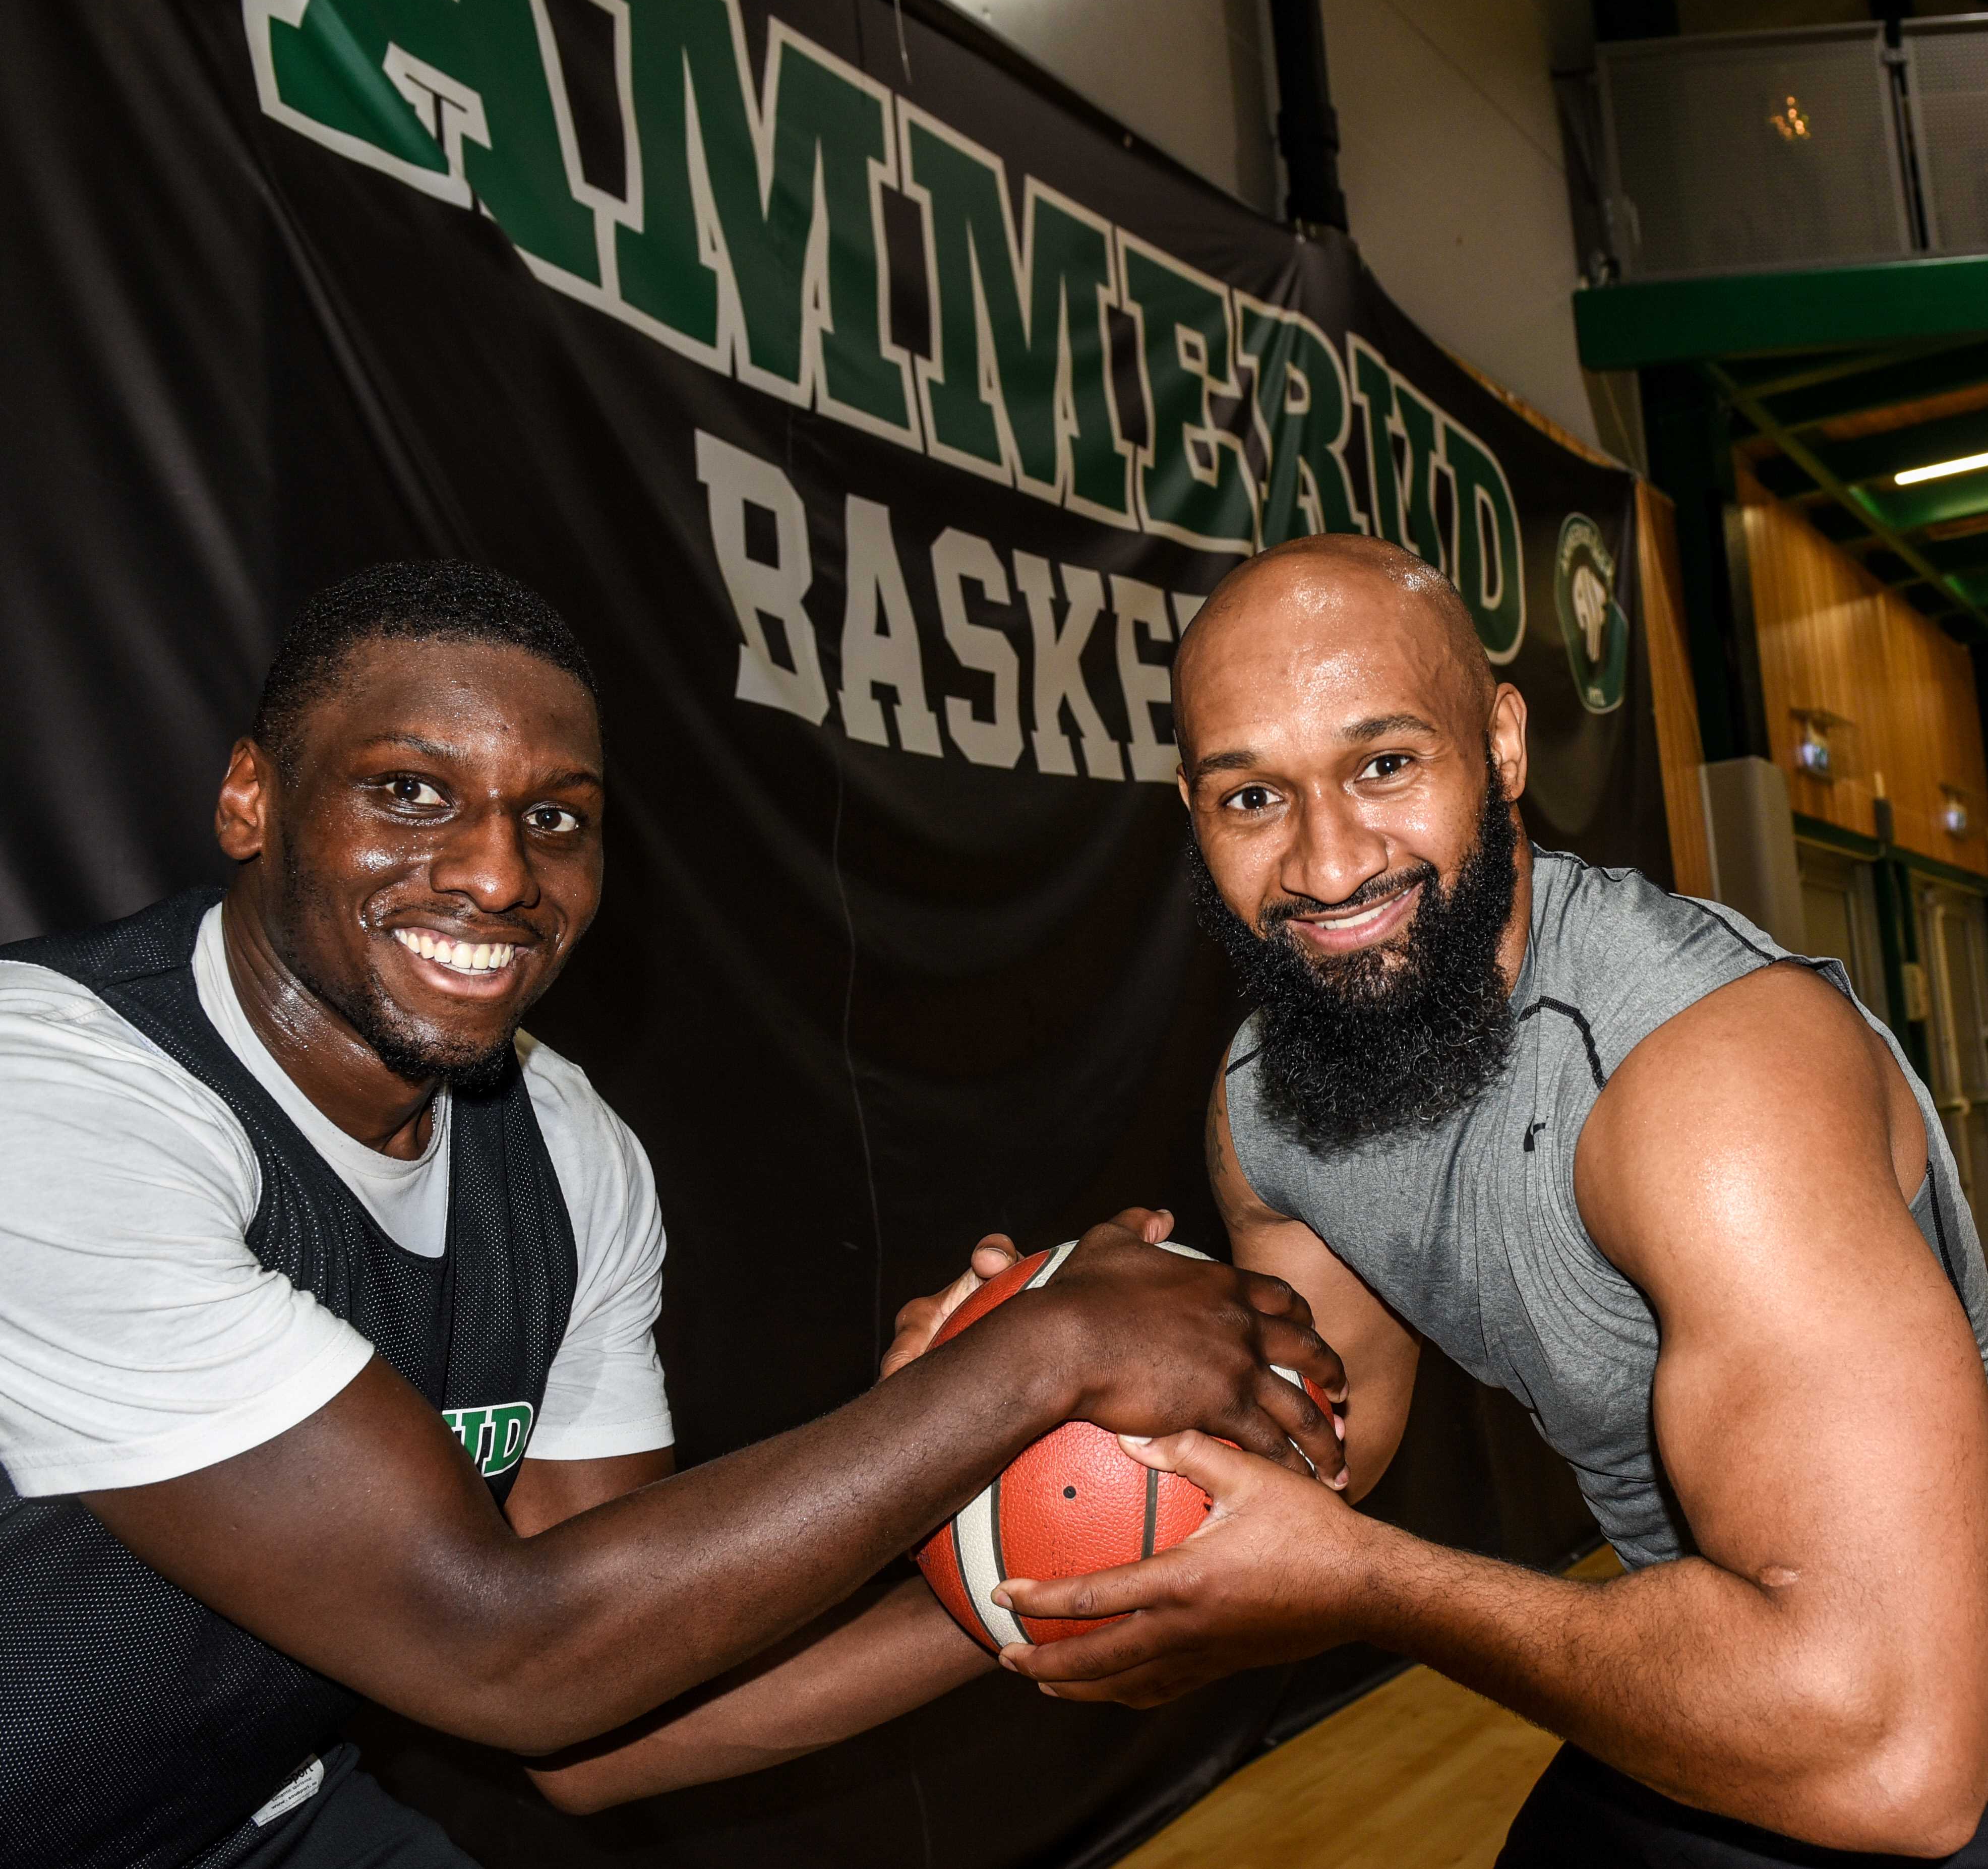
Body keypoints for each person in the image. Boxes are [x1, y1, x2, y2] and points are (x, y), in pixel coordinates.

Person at [0, 560, 1343, 1869]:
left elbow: (600, 1723)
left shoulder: (566, 1151)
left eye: (557, 817)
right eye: (410, 793)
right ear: (251, 798)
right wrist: (1044, 1358)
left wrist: (1082, 1579)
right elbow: (500, 1650)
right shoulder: (53, 1096)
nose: (494, 872)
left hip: (253, 1821)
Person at [896, 533, 1988, 1864]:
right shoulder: (1277, 1101)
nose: (1330, 861)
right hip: (1757, 1668)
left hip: (1928, 1693)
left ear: (1505, 743)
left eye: (1384, 764)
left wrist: (1367, 1592)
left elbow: (1903, 1765)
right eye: (1253, 798)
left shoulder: (1706, 1086)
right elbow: (1308, 1452)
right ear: (1192, 807)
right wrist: (1001, 1403)